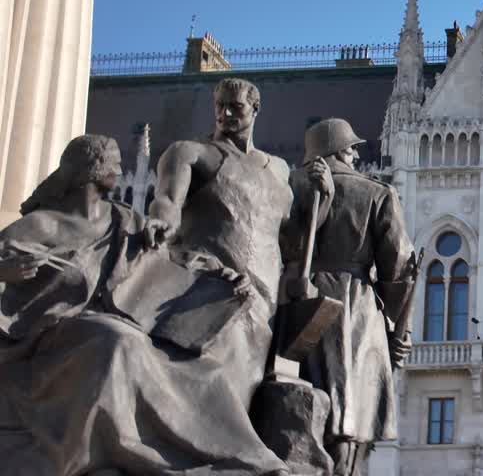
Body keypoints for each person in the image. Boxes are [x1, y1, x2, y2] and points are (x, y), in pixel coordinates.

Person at [0, 135, 291, 475]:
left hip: (113, 323)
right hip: (49, 334)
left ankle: (251, 461)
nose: (120, 166)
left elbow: (173, 258)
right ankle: (135, 454)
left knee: (203, 370)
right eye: (112, 160)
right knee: (118, 341)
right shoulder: (44, 223)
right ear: (90, 170)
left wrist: (222, 273)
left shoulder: (125, 219)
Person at [147, 77, 318, 409]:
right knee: (212, 388)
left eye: (235, 107)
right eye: (219, 106)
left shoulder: (280, 171)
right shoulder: (190, 153)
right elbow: (167, 200)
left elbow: (293, 241)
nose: (225, 114)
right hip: (213, 290)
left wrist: (322, 199)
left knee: (246, 392)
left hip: (265, 302)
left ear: (255, 110)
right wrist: (161, 221)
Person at [283, 118, 415, 476]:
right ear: (340, 151)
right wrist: (398, 332)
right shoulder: (377, 193)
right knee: (347, 411)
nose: (357, 154)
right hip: (353, 306)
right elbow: (400, 270)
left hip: (295, 301)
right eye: (352, 147)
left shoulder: (288, 184)